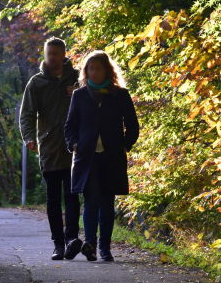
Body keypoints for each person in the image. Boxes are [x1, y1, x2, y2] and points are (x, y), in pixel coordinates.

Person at [64, 50, 140, 262]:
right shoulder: (79, 95)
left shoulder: (120, 94)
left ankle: (105, 249)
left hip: (112, 158)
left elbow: (133, 126)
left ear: (107, 70)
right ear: (86, 71)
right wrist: (74, 144)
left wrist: (124, 145)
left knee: (107, 202)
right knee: (90, 201)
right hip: (86, 157)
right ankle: (90, 245)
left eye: (98, 68)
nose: (94, 72)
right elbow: (69, 126)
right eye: (91, 68)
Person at [19, 37, 83, 261]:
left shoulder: (78, 79)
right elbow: (27, 114)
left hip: (74, 146)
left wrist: (79, 92)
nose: (53, 57)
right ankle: (58, 244)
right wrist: (28, 137)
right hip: (48, 147)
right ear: (45, 55)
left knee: (73, 195)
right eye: (49, 53)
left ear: (64, 54)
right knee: (54, 198)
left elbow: (95, 101)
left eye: (56, 53)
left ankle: (71, 239)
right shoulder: (36, 83)